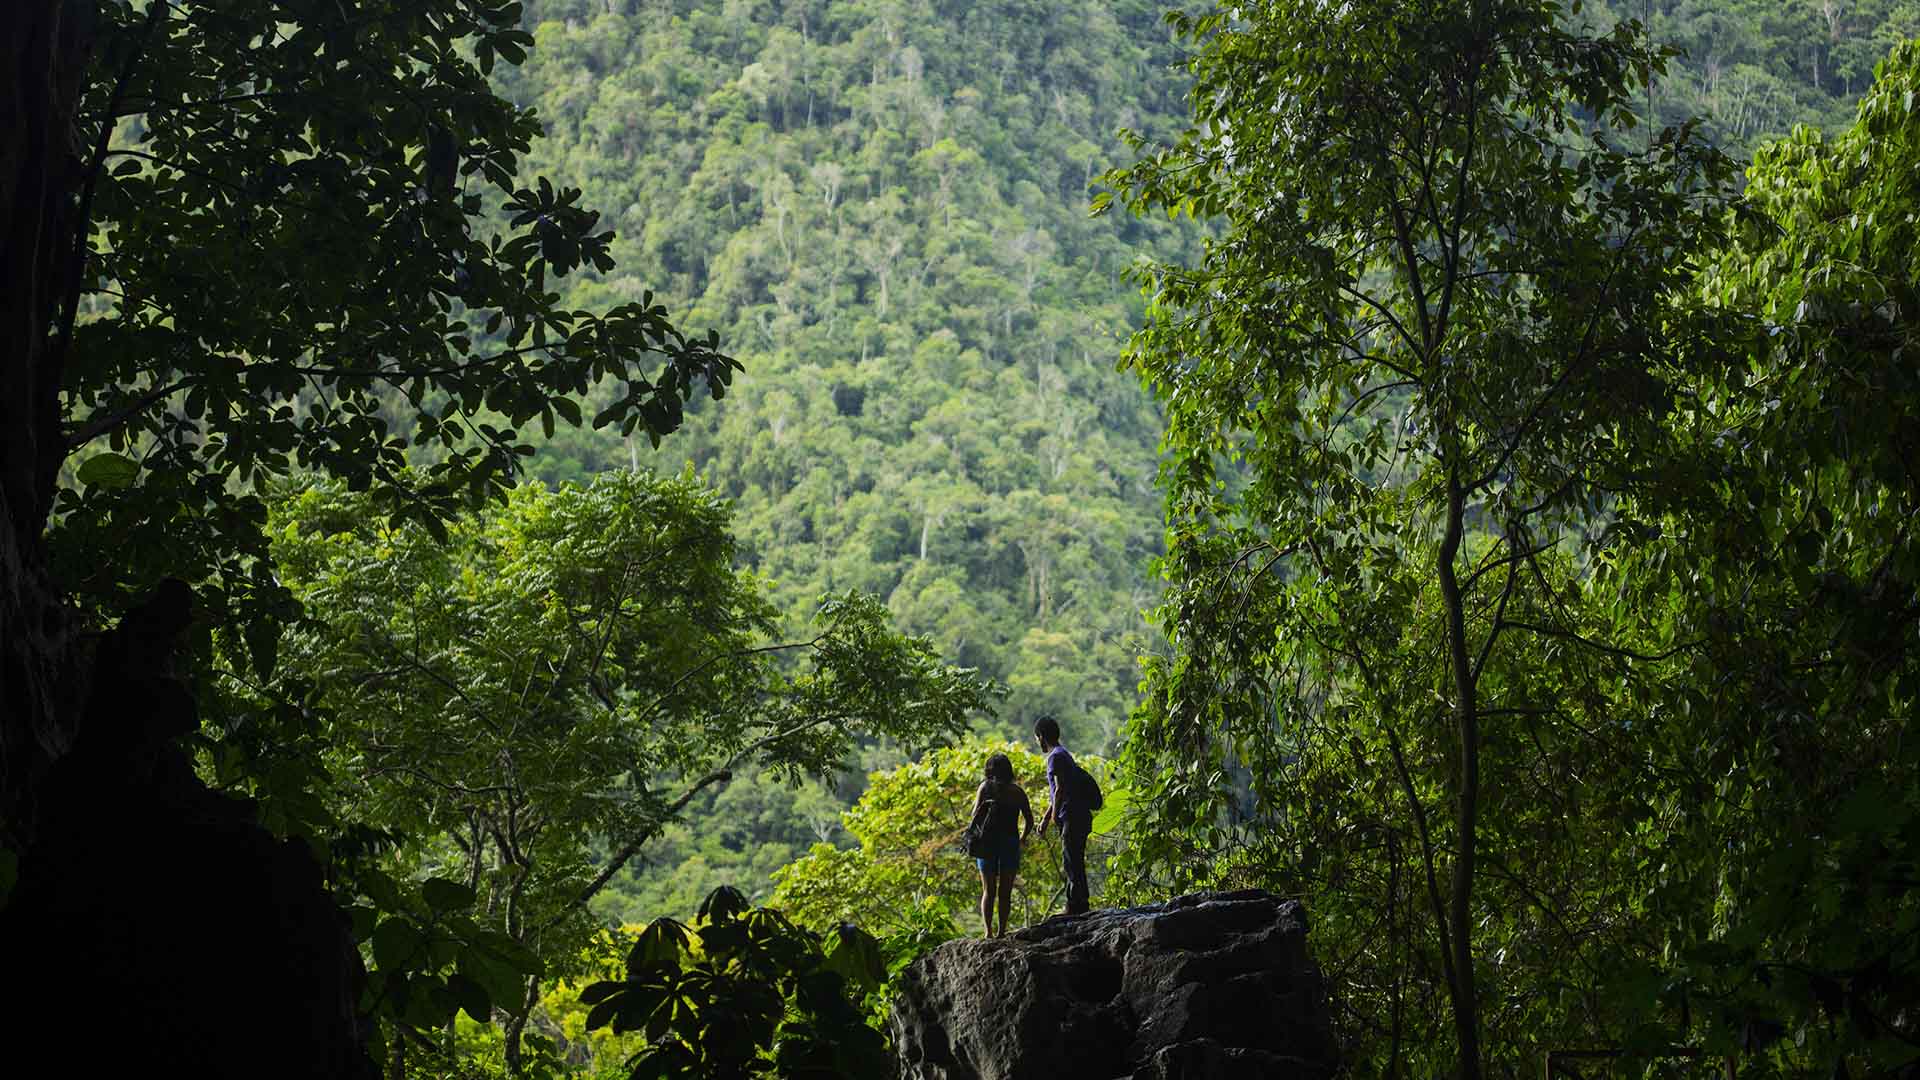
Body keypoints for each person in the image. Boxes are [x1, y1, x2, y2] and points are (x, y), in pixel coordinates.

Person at [968, 752, 1034, 938]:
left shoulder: (985, 787)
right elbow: (1029, 820)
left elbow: (974, 815)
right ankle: (1002, 932)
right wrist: (1022, 838)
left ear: (989, 770)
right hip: (1010, 843)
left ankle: (988, 932)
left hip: (986, 844)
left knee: (988, 890)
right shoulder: (1017, 792)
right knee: (1005, 892)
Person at [1034, 715, 1092, 915]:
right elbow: (1059, 792)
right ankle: (1079, 904)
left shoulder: (1055, 757)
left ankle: (1076, 906)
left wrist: (1054, 816)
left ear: (1041, 736)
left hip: (1072, 816)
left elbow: (1059, 790)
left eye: (1037, 738)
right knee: (1073, 859)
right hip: (1078, 815)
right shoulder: (1064, 754)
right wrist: (1045, 818)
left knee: (1072, 860)